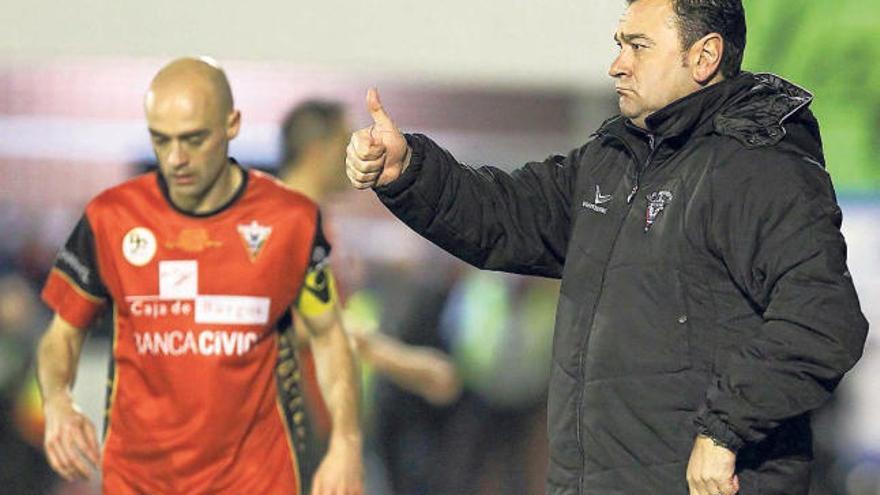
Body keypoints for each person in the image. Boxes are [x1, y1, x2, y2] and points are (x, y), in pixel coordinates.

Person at [344, 0, 869, 494]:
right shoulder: (610, 161)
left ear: (704, 56)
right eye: (619, 45)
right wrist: (407, 170)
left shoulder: (760, 169)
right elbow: (503, 213)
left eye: (638, 46)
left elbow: (823, 320)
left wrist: (725, 430)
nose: (617, 65)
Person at [37, 57, 363, 495]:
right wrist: (58, 400)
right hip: (139, 482)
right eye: (161, 140)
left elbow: (328, 335)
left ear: (232, 124)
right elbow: (62, 334)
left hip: (256, 481)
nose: (176, 159)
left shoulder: (292, 221)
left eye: (194, 139)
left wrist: (346, 441)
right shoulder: (110, 218)